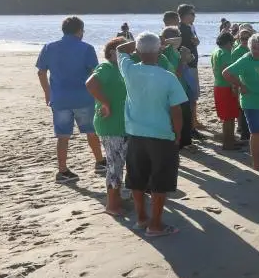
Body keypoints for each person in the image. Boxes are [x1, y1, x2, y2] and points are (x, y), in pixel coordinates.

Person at [116, 34, 188, 237]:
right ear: (159, 52)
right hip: (161, 134)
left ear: (138, 52)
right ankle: (155, 224)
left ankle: (141, 218)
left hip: (135, 133)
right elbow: (176, 110)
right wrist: (178, 133)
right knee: (160, 181)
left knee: (137, 178)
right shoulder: (168, 77)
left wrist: (145, 44)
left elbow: (121, 49)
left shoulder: (129, 69)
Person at [36, 16, 104, 182]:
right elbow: (95, 73)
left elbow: (41, 72)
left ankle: (62, 170)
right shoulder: (86, 48)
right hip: (83, 97)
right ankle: (100, 162)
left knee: (63, 136)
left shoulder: (49, 47)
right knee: (91, 131)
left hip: (59, 98)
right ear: (79, 31)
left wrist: (47, 92)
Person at [86, 37, 129, 215]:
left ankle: (121, 196)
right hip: (110, 123)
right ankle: (112, 205)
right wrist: (105, 103)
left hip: (124, 123)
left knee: (125, 162)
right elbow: (90, 84)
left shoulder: (123, 68)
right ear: (112, 53)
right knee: (114, 164)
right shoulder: (106, 67)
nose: (129, 54)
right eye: (124, 51)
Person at [224, 33, 259, 171]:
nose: (257, 51)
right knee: (256, 133)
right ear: (250, 47)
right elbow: (226, 73)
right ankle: (256, 162)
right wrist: (241, 85)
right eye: (255, 48)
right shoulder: (245, 60)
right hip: (252, 102)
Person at [160, 27, 193, 149]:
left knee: (186, 117)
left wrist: (186, 58)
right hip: (174, 90)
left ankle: (184, 143)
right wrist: (183, 60)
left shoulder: (174, 50)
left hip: (181, 88)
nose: (179, 39)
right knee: (178, 118)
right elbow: (176, 74)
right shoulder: (167, 51)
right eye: (176, 36)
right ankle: (179, 144)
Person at [211, 31, 242, 150]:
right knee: (228, 117)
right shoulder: (225, 53)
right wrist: (235, 85)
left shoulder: (216, 52)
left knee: (229, 116)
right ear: (228, 42)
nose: (233, 45)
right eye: (232, 43)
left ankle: (231, 139)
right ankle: (228, 143)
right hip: (226, 87)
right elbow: (227, 73)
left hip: (218, 85)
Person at [177, 4, 203, 134]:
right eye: (192, 14)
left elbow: (196, 41)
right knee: (191, 96)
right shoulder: (181, 29)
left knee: (194, 96)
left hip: (192, 65)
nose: (194, 16)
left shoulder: (190, 27)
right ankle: (192, 126)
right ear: (184, 15)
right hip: (188, 66)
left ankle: (194, 121)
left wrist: (197, 42)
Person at [232, 28, 254, 141]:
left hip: (254, 83)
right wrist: (238, 85)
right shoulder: (237, 51)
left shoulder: (253, 49)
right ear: (239, 39)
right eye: (242, 38)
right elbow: (233, 71)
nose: (245, 40)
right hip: (242, 83)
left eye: (247, 38)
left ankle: (249, 132)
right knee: (242, 108)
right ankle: (244, 133)